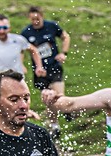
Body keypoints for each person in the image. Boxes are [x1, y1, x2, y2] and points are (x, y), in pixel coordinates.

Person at [21, 5, 70, 136]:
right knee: (48, 98)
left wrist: (64, 53)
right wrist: (21, 65)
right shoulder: (26, 32)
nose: (35, 21)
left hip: (54, 66)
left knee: (59, 95)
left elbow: (65, 36)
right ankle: (54, 126)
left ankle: (67, 109)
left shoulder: (51, 26)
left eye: (37, 18)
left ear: (42, 16)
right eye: (32, 19)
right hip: (39, 71)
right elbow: (21, 50)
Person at [0, 14, 45, 80]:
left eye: (5, 28)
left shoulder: (19, 40)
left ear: (9, 28)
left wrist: (39, 66)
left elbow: (34, 50)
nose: (2, 31)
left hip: (17, 79)